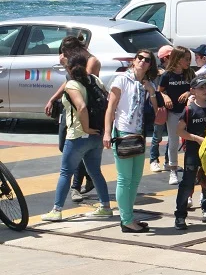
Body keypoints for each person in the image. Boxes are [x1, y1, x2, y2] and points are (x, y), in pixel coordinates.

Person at [41, 55, 112, 222]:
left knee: (66, 172)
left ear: (69, 68)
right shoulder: (94, 80)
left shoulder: (72, 84)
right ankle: (105, 207)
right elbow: (108, 101)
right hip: (97, 134)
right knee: (95, 171)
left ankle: (57, 210)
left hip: (78, 136)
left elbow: (81, 107)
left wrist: (86, 128)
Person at [103, 49, 159, 233]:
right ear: (134, 61)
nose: (143, 61)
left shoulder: (147, 84)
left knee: (135, 179)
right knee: (124, 179)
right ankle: (126, 220)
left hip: (139, 133)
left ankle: (129, 217)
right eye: (140, 58)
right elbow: (110, 108)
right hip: (123, 131)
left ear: (151, 65)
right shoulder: (121, 80)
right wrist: (106, 133)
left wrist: (151, 91)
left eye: (147, 60)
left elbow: (157, 112)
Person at [45, 36, 101, 201]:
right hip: (70, 109)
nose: (65, 56)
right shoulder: (76, 61)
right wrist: (53, 98)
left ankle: (75, 187)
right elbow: (67, 84)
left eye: (66, 52)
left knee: (76, 148)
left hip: (84, 109)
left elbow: (81, 83)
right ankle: (89, 176)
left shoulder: (91, 61)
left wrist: (66, 67)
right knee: (64, 146)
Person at [174, 76, 206, 230]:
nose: (205, 90)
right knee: (187, 183)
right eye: (201, 88)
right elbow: (179, 131)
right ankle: (180, 215)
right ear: (193, 91)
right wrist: (195, 138)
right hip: (192, 152)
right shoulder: (189, 110)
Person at [159, 46, 195, 186]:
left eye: (189, 59)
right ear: (177, 59)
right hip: (173, 112)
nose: (188, 62)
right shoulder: (167, 75)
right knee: (173, 142)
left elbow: (196, 88)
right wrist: (165, 96)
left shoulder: (190, 73)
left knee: (190, 140)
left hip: (187, 111)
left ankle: (191, 168)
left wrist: (189, 93)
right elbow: (159, 91)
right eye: (186, 59)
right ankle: (173, 170)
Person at [149, 45, 173, 174]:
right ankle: (154, 160)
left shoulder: (174, 72)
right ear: (165, 58)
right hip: (161, 107)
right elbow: (156, 89)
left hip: (173, 107)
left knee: (172, 136)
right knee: (157, 135)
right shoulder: (158, 73)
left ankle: (168, 161)